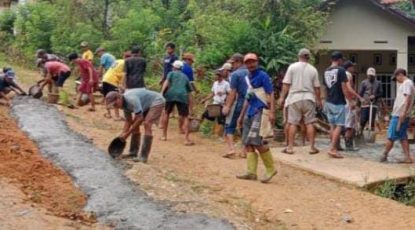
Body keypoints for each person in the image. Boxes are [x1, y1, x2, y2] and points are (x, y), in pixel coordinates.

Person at [236, 53, 276, 183]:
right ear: (245, 64)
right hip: (250, 112)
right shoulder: (248, 77)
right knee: (248, 142)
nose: (251, 64)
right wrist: (241, 116)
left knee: (257, 142)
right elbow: (248, 98)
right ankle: (251, 172)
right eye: (248, 62)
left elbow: (270, 94)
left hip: (260, 111)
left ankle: (270, 168)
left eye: (252, 62)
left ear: (257, 62)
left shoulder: (263, 76)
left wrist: (271, 112)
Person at [278, 48, 322, 155]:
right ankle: (311, 147)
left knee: (292, 123)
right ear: (308, 57)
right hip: (308, 97)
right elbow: (317, 87)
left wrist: (282, 97)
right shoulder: (313, 69)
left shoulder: (292, 67)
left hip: (294, 98)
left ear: (299, 56)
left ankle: (290, 147)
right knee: (310, 123)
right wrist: (319, 100)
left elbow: (286, 84)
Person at [105, 89, 165, 163]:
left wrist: (127, 134)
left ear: (119, 98)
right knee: (135, 125)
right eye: (113, 105)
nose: (115, 106)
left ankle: (143, 157)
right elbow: (128, 121)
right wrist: (122, 135)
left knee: (147, 123)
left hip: (157, 100)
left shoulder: (131, 100)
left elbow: (140, 118)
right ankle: (133, 153)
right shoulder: (123, 105)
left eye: (115, 104)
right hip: (144, 105)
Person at [323, 51, 353, 159]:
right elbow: (344, 88)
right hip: (338, 102)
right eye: (342, 59)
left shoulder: (326, 71)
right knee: (340, 126)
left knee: (332, 126)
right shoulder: (341, 70)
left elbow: (325, 88)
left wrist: (325, 101)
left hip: (329, 101)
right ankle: (333, 149)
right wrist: (351, 101)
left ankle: (333, 147)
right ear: (339, 59)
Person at [381, 68, 414, 164]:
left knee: (391, 136)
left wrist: (402, 115)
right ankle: (407, 157)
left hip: (399, 115)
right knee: (403, 137)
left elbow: (407, 100)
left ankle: (384, 155)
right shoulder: (409, 83)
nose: (397, 81)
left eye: (396, 78)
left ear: (400, 74)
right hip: (402, 115)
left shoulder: (407, 83)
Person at [160, 60, 194, 145]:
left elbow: (166, 82)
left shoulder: (171, 73)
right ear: (181, 68)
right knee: (185, 116)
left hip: (171, 94)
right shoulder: (185, 77)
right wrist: (191, 107)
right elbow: (189, 93)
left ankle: (164, 136)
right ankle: (186, 139)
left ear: (174, 67)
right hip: (182, 95)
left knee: (166, 113)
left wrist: (161, 92)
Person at [222, 53, 249, 158]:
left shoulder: (235, 74)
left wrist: (227, 106)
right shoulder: (251, 72)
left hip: (241, 101)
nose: (232, 66)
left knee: (229, 125)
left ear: (238, 62)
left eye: (233, 63)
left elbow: (233, 92)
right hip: (252, 102)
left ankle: (231, 149)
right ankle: (244, 150)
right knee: (245, 125)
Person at [343, 61, 364, 151]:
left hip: (344, 101)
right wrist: (356, 98)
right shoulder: (348, 75)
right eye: (352, 66)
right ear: (349, 67)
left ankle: (348, 144)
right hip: (348, 101)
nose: (354, 68)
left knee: (347, 124)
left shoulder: (343, 74)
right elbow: (348, 88)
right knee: (349, 124)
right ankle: (349, 145)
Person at [359, 67, 383, 133]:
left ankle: (371, 134)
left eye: (372, 75)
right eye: (369, 75)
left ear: (374, 75)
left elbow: (381, 93)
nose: (371, 77)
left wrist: (375, 96)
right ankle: (360, 133)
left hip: (374, 104)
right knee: (363, 119)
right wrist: (360, 101)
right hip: (365, 104)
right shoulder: (363, 82)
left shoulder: (378, 83)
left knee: (372, 120)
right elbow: (360, 93)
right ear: (367, 75)